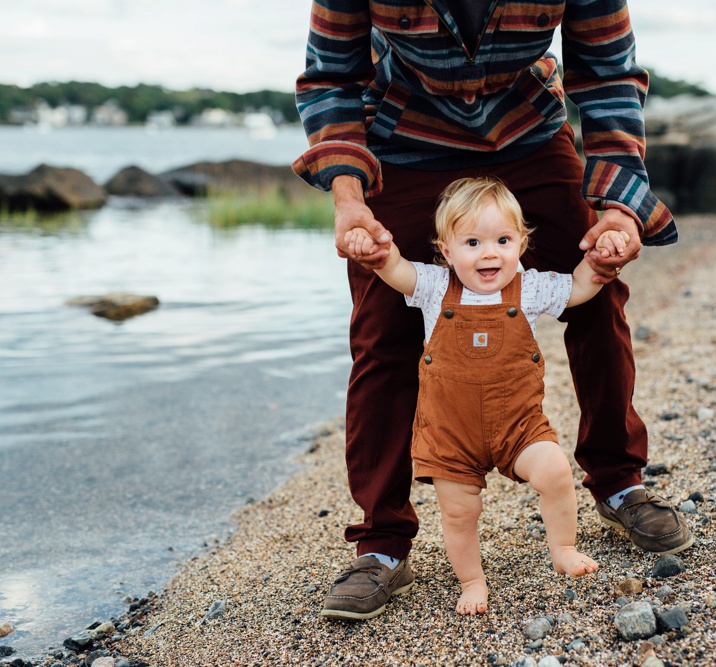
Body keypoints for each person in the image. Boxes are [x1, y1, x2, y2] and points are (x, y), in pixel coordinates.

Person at [294, 0, 694, 621]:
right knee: (382, 329)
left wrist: (618, 208)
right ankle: (382, 545)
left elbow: (608, 74)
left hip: (528, 134)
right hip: (402, 139)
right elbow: (331, 77)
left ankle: (619, 483)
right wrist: (348, 194)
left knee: (599, 287)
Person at [342, 176, 625, 614]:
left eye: (503, 240)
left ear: (522, 243)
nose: (489, 252)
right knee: (459, 514)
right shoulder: (435, 287)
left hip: (519, 426)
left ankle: (563, 548)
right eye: (472, 242)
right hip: (451, 436)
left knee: (554, 473)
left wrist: (602, 260)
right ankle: (472, 580)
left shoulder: (530, 288)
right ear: (446, 250)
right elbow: (396, 269)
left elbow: (580, 287)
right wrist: (376, 253)